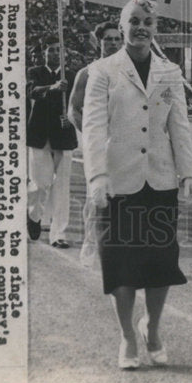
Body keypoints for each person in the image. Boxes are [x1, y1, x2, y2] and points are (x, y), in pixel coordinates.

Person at [83, 0, 192, 370]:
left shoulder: (170, 72)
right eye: (134, 21)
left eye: (148, 22)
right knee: (120, 264)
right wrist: (97, 177)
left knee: (160, 263)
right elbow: (94, 126)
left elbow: (178, 126)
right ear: (122, 24)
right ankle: (128, 336)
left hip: (160, 180)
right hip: (118, 181)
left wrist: (189, 172)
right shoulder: (102, 71)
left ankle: (153, 329)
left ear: (156, 28)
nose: (141, 28)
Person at [67, 21, 123, 268]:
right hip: (97, 144)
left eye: (117, 38)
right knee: (96, 196)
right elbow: (73, 110)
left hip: (123, 143)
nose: (112, 43)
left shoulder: (128, 72)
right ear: (97, 42)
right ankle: (90, 244)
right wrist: (92, 135)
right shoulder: (86, 73)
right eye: (107, 39)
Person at [26, 37, 78, 249]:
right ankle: (34, 215)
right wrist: (53, 87)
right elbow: (32, 91)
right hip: (39, 135)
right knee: (41, 183)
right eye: (51, 50)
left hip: (63, 134)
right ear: (44, 53)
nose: (55, 54)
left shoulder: (72, 76)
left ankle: (59, 233)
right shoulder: (35, 71)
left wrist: (71, 117)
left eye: (59, 50)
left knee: (62, 187)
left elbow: (77, 103)